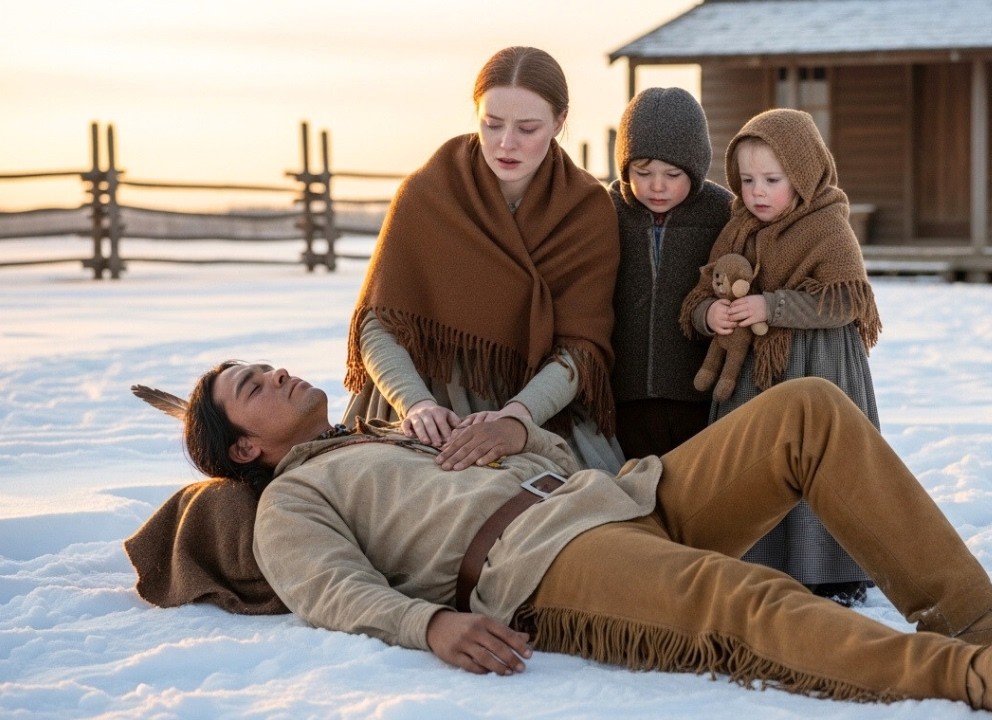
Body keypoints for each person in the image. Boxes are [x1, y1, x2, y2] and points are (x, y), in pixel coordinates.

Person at [180, 359, 992, 718]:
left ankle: (984, 621)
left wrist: (513, 429)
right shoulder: (290, 503)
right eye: (251, 385)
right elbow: (328, 591)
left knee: (807, 410)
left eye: (261, 365)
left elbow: (539, 448)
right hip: (544, 561)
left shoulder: (391, 430)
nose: (274, 370)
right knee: (739, 596)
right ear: (250, 446)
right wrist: (428, 627)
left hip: (620, 494)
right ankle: (973, 679)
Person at [343, 46, 624, 473]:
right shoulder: (427, 193)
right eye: (491, 125)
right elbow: (377, 322)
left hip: (534, 408)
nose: (505, 144)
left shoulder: (587, 210)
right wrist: (415, 403)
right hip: (421, 401)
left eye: (528, 128)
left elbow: (581, 350)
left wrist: (517, 418)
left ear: (560, 122)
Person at [681, 108, 883, 606]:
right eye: (747, 180)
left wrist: (773, 305)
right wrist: (711, 315)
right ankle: (756, 560)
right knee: (756, 459)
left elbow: (846, 300)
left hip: (819, 363)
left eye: (773, 179)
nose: (757, 192)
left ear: (804, 174)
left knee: (821, 459)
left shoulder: (828, 227)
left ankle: (833, 572)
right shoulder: (736, 230)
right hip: (752, 375)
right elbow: (703, 289)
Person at [608, 87, 733, 459]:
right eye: (641, 172)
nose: (657, 185)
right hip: (623, 392)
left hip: (696, 392)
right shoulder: (608, 210)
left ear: (695, 168)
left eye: (672, 174)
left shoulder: (721, 211)